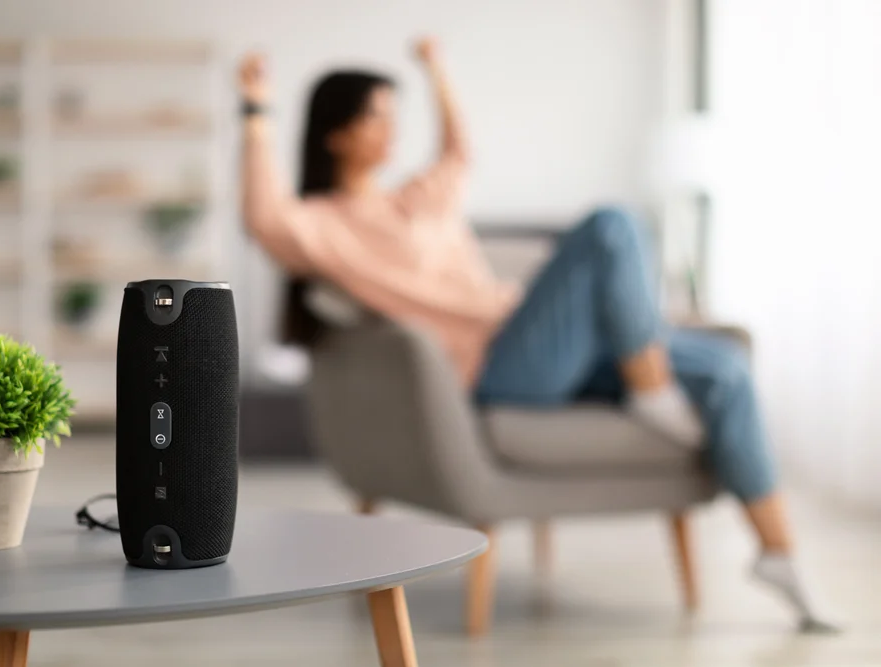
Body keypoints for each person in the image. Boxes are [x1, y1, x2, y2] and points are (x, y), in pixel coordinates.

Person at [238, 38, 834, 632]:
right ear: (335, 133)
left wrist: (437, 70)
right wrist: (256, 110)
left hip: (548, 347)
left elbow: (459, 150)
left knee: (725, 366)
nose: (391, 129)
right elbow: (263, 216)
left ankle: (778, 556)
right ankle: (652, 391)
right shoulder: (322, 226)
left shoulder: (420, 197)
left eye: (395, 115)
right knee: (610, 226)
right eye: (375, 116)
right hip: (503, 366)